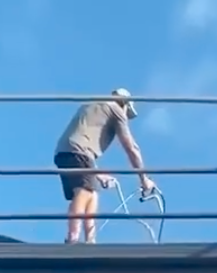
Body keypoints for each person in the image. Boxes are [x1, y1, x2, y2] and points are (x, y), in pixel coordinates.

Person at [53, 88, 155, 244]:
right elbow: (131, 148)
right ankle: (72, 239)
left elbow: (83, 136)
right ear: (125, 104)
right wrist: (144, 179)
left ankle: (90, 241)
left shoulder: (93, 104)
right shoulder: (116, 109)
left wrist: (97, 173)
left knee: (93, 194)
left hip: (66, 151)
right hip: (79, 152)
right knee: (85, 191)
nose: (125, 117)